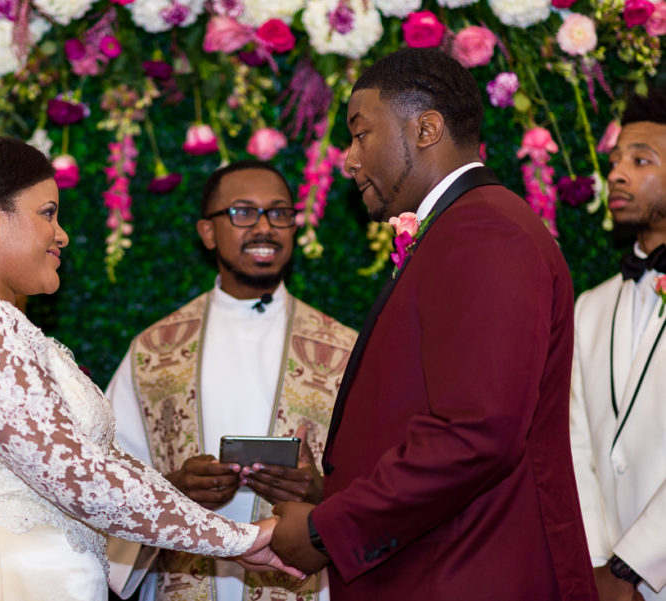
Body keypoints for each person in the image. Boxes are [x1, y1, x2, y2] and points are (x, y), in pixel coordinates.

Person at [0, 130, 299, 601]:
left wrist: (227, 536)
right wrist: (237, 539)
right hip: (6, 580)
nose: (61, 233)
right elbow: (80, 476)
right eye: (47, 212)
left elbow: (98, 463)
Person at [268, 47, 598, 600]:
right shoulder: (462, 229)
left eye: (360, 134)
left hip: (469, 574)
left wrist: (329, 530)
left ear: (425, 129)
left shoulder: (485, 232)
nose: (348, 160)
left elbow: (475, 433)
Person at [106, 161, 357, 601]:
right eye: (243, 213)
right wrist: (174, 489)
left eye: (279, 213)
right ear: (207, 232)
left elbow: (384, 484)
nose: (265, 228)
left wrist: (321, 494)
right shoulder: (155, 350)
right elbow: (107, 481)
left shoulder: (342, 349)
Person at [570, 86, 666, 601]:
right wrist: (598, 560)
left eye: (641, 160)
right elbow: (576, 443)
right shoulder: (590, 305)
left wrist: (632, 563)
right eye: (615, 161)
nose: (617, 174)